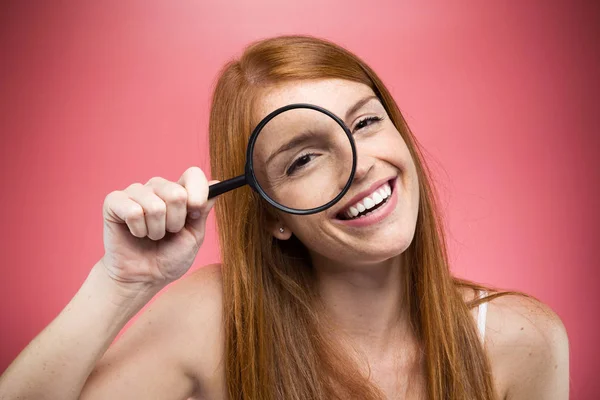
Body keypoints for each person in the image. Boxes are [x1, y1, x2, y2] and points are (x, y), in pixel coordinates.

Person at [0, 35, 569, 400]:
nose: (361, 164)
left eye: (367, 123)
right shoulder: (214, 322)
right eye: (303, 158)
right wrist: (119, 283)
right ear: (274, 215)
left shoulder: (523, 339)